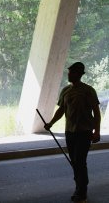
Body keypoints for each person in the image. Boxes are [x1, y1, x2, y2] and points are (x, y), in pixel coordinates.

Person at [44, 62, 101, 203]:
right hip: (69, 131)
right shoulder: (65, 90)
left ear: (79, 74)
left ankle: (82, 193)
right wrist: (51, 123)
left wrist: (97, 131)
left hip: (85, 131)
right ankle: (78, 188)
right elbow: (61, 110)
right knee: (74, 162)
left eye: (72, 72)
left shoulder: (89, 90)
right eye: (69, 72)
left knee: (80, 162)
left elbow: (97, 112)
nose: (69, 74)